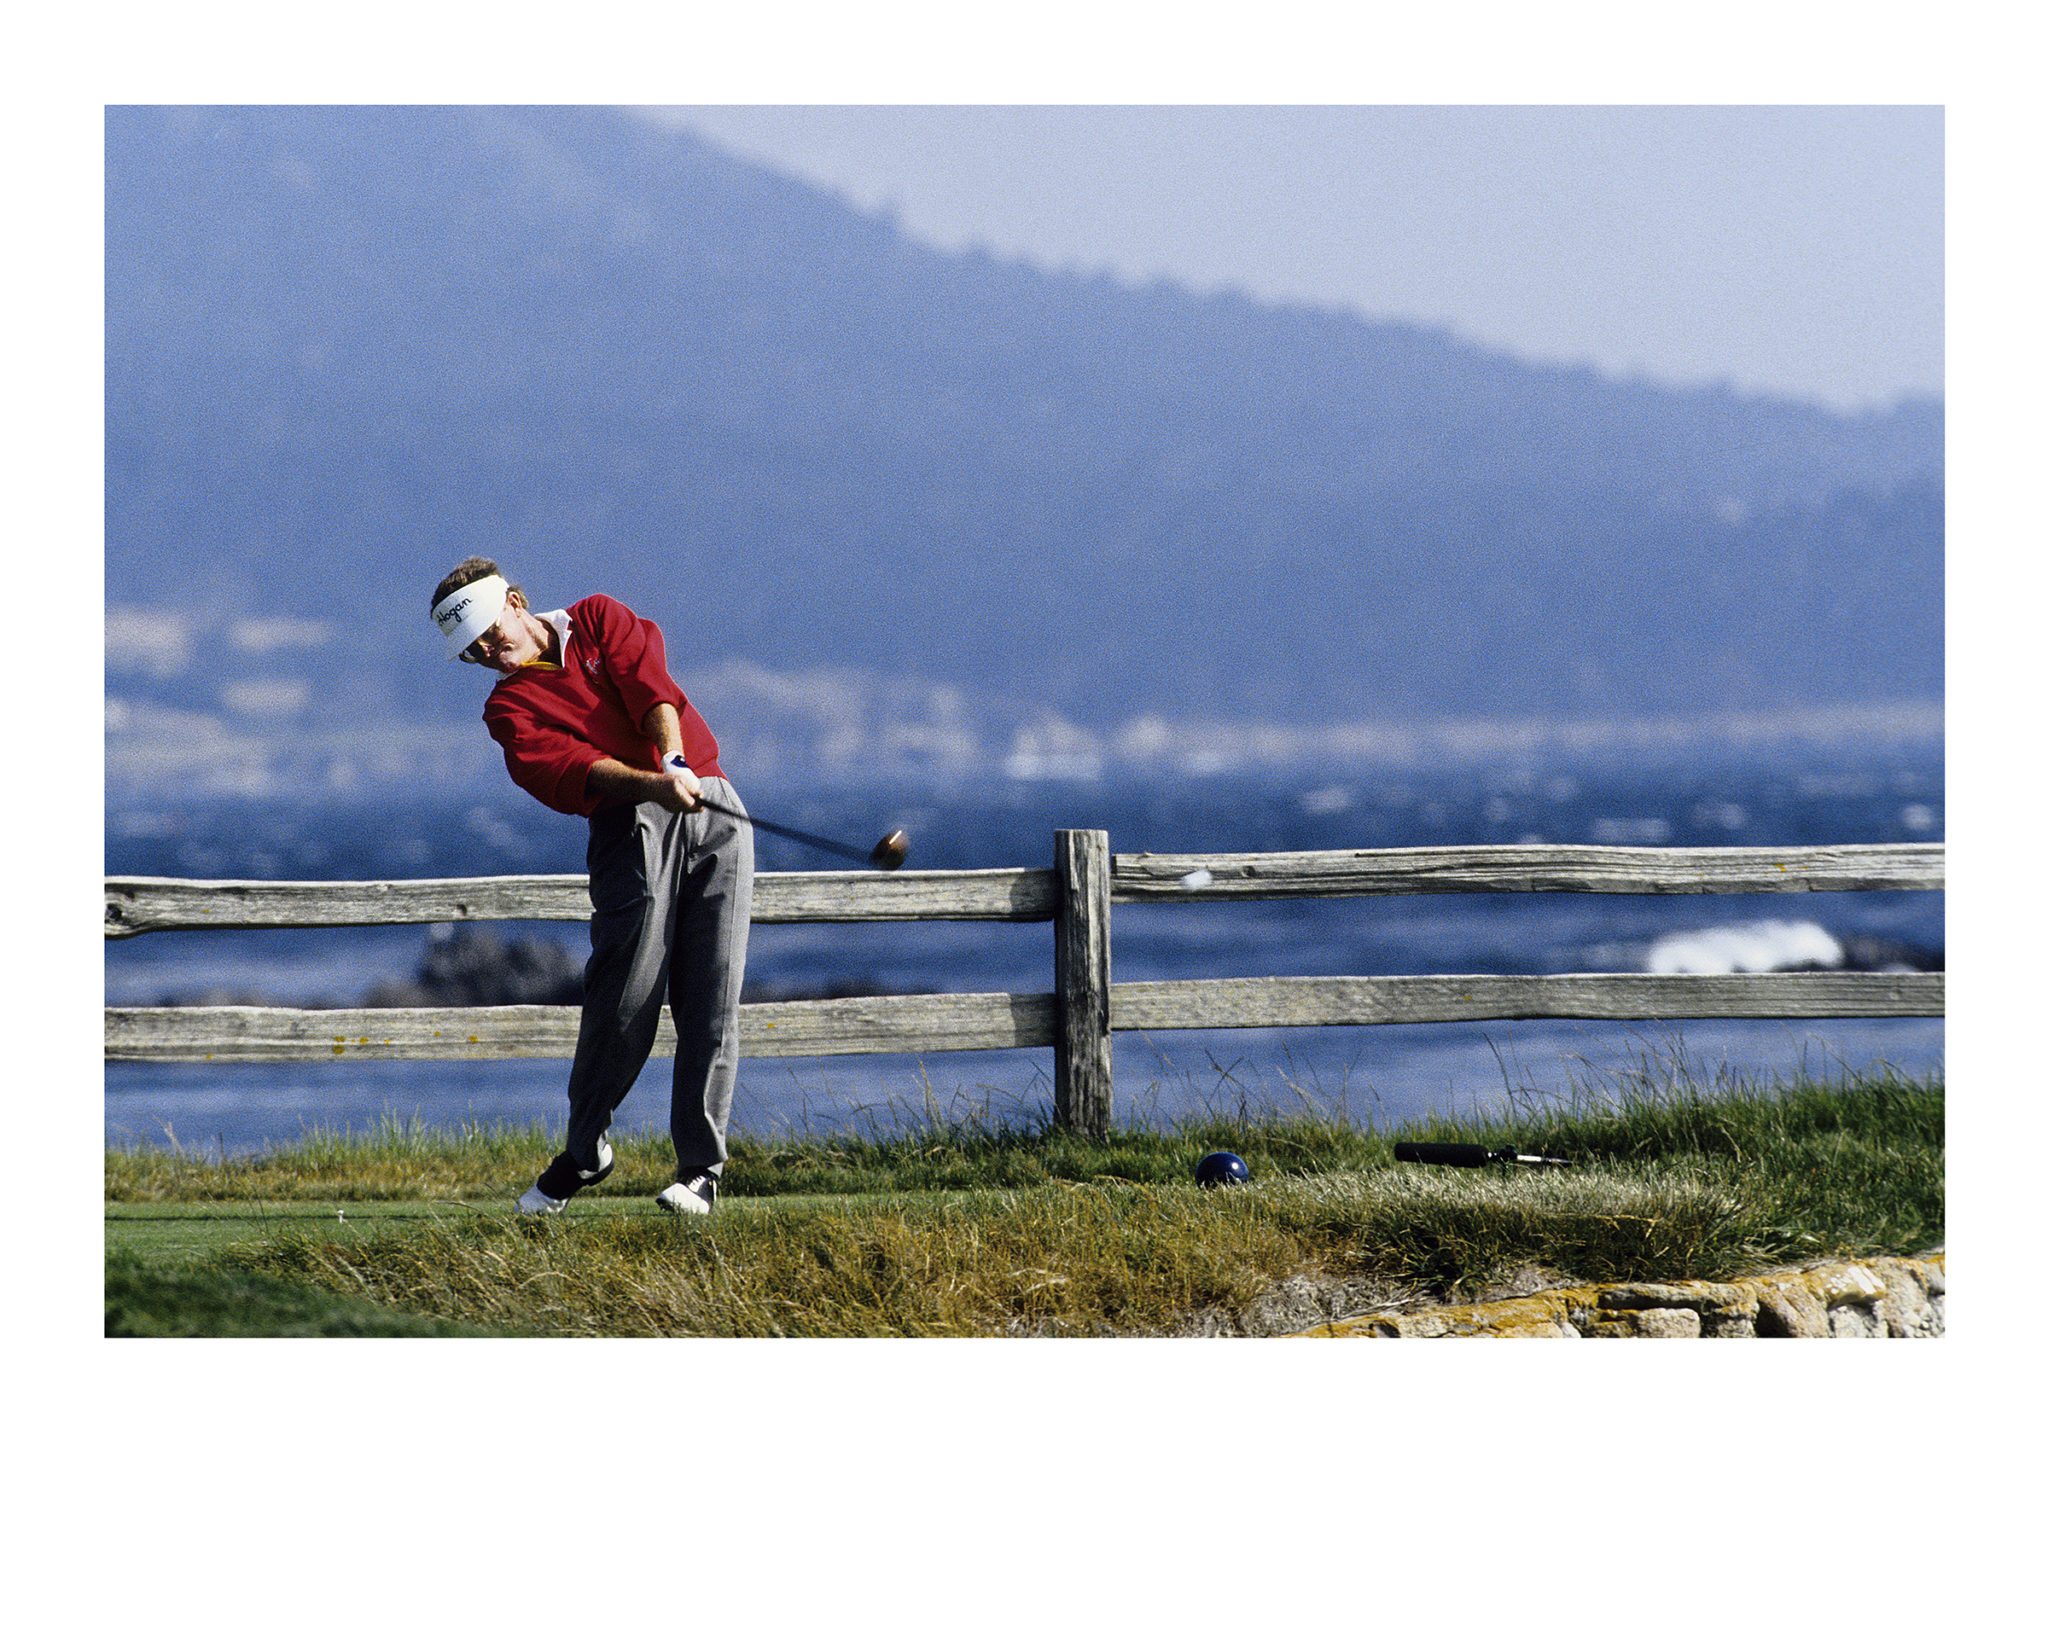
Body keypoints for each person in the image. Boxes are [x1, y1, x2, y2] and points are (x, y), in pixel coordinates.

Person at [429, 557, 753, 1216]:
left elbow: (651, 690)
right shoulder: (509, 709)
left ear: (517, 603)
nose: (493, 654)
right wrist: (656, 785)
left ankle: (701, 1173)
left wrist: (676, 763)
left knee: (713, 999)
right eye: (475, 652)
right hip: (629, 826)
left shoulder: (598, 618)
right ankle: (584, 1151)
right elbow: (578, 770)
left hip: (711, 801)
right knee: (625, 1000)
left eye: (493, 633)